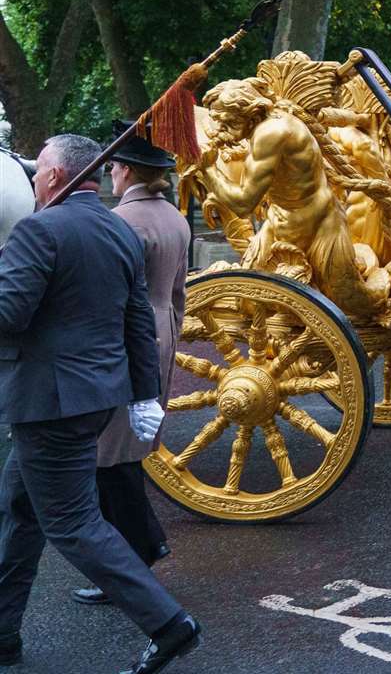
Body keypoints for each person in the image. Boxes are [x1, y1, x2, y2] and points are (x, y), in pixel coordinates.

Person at [0, 133, 200, 672]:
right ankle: (3, 634)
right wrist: (142, 396)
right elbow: (137, 321)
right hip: (92, 399)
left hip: (48, 402)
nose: (35, 179)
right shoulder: (117, 229)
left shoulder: (39, 230)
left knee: (72, 524)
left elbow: (8, 316)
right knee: (18, 511)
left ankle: (169, 624)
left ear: (58, 177)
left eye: (39, 170)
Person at [71, 123, 191, 607]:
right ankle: (145, 542)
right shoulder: (176, 218)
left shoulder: (123, 222)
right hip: (161, 332)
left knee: (108, 456)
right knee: (122, 453)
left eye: (114, 168)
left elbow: (108, 297)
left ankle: (129, 560)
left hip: (125, 340)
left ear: (125, 171)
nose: (111, 176)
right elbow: (178, 293)